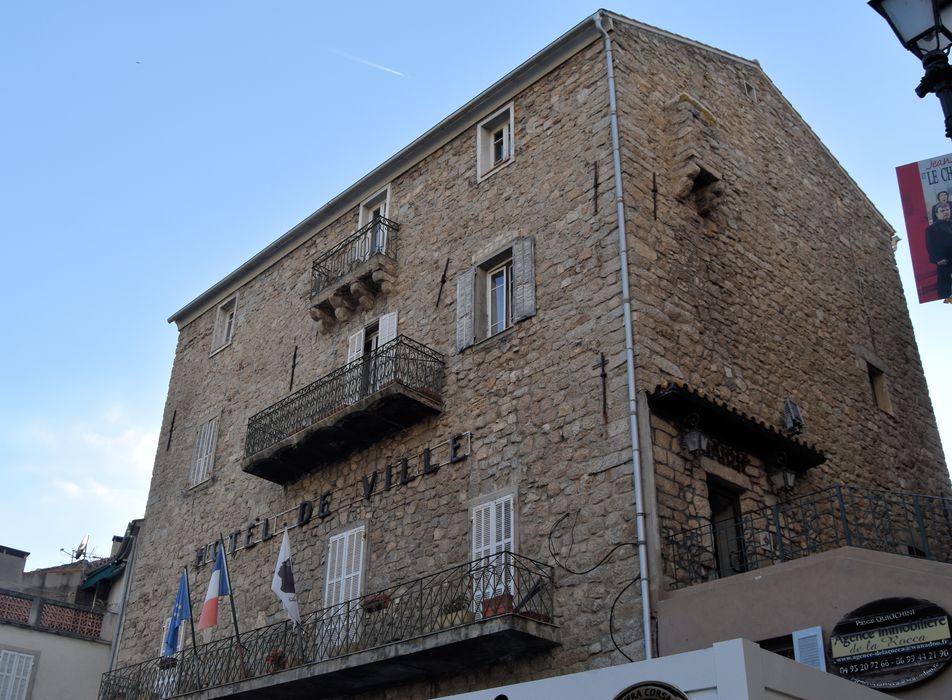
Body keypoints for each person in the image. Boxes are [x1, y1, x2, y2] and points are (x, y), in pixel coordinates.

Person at [926, 201, 952, 299]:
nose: (946, 212)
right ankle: (946, 301)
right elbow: (930, 246)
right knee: (944, 284)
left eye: (947, 210)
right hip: (945, 261)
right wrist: (937, 259)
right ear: (937, 213)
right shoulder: (931, 229)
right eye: (942, 210)